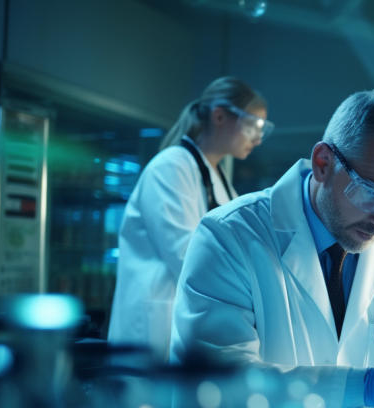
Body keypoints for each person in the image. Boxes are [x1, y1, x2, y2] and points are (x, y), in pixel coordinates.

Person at [165, 89, 374, 408]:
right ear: (324, 164)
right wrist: (364, 387)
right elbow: (220, 388)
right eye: (373, 193)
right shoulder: (229, 236)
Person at [108, 77, 271, 361]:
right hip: (151, 329)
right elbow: (186, 257)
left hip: (184, 328)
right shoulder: (171, 167)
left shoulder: (219, 179)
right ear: (219, 116)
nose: (257, 139)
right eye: (253, 126)